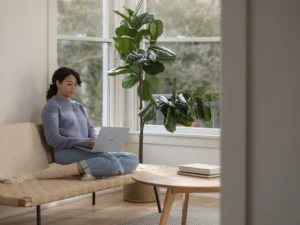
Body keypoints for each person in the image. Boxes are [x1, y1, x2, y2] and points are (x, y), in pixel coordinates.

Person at [36, 67, 139, 180]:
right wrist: (83, 142)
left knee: (132, 159)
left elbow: (90, 129)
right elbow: (53, 139)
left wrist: (96, 142)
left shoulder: (78, 106)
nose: (73, 88)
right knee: (112, 162)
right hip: (65, 153)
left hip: (86, 149)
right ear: (58, 83)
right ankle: (70, 170)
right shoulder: (51, 107)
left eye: (75, 84)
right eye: (69, 84)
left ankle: (94, 172)